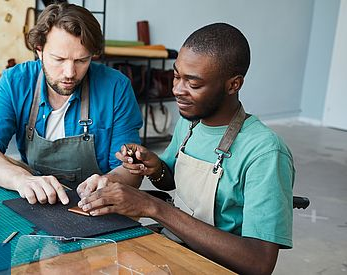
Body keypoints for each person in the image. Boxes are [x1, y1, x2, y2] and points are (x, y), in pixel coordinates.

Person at [77, 23, 294, 274]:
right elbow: (169, 181)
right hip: (175, 245)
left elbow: (258, 263)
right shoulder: (190, 123)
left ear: (233, 84)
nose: (177, 90)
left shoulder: (265, 152)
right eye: (177, 76)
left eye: (193, 83)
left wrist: (153, 207)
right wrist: (156, 166)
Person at [0, 3, 143, 205]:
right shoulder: (15, 82)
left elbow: (130, 170)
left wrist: (110, 180)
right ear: (39, 50)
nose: (70, 73)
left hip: (96, 205)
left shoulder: (116, 87)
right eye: (59, 59)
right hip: (36, 202)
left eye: (81, 60)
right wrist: (21, 180)